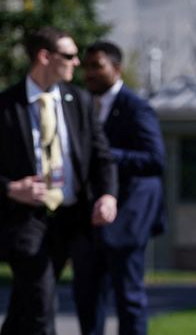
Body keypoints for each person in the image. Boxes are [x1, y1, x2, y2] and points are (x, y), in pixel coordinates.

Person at [0, 27, 118, 335]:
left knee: (25, 304)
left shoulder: (77, 101)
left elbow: (101, 156)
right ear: (44, 56)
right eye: (69, 55)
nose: (77, 62)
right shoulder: (6, 106)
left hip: (71, 217)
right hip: (25, 220)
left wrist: (108, 195)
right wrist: (11, 188)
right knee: (42, 303)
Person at [73, 41, 167, 335]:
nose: (89, 73)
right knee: (87, 297)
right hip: (89, 221)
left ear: (116, 68)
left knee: (129, 298)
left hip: (128, 217)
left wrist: (104, 154)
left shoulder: (136, 108)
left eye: (96, 66)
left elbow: (155, 160)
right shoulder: (83, 104)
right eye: (86, 67)